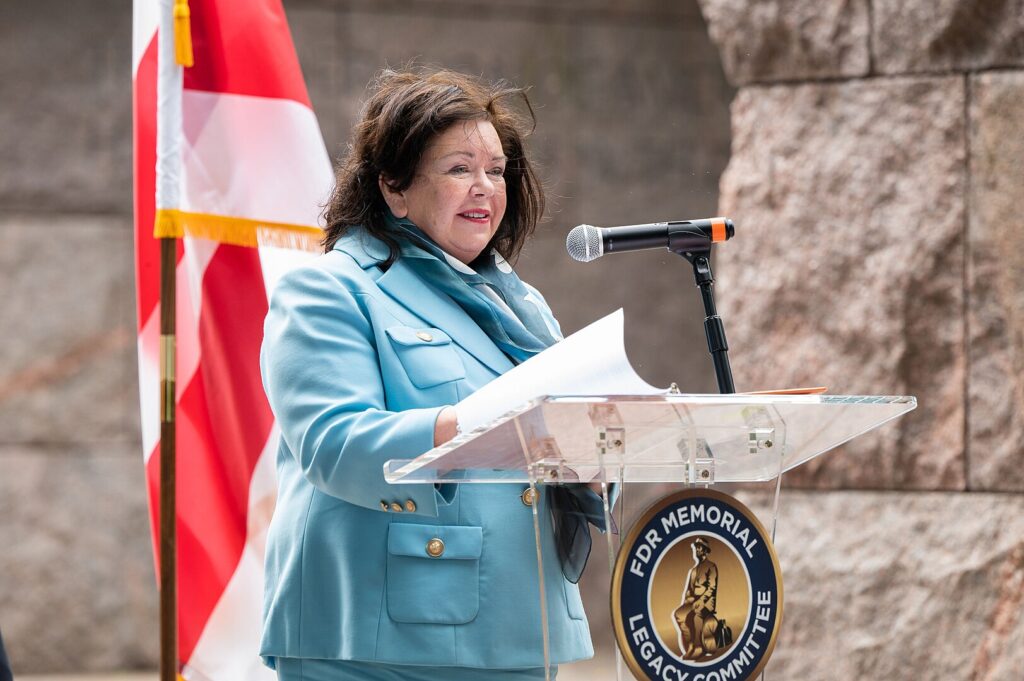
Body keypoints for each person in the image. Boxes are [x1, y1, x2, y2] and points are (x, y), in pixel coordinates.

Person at [259, 68, 609, 681]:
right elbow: (334, 443)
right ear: (394, 187)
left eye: (496, 171)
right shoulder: (329, 289)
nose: (485, 189)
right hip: (378, 640)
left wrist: (608, 450)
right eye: (459, 169)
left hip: (520, 631)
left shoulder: (523, 305)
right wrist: (473, 425)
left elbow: (564, 452)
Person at [674, 536, 719, 660]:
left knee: (696, 615)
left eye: (699, 548)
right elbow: (689, 590)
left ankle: (699, 648)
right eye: (696, 548)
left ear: (705, 550)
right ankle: (690, 646)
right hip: (693, 602)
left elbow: (711, 588)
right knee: (679, 614)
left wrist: (701, 601)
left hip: (706, 602)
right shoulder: (693, 571)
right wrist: (687, 600)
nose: (696, 550)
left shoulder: (711, 566)